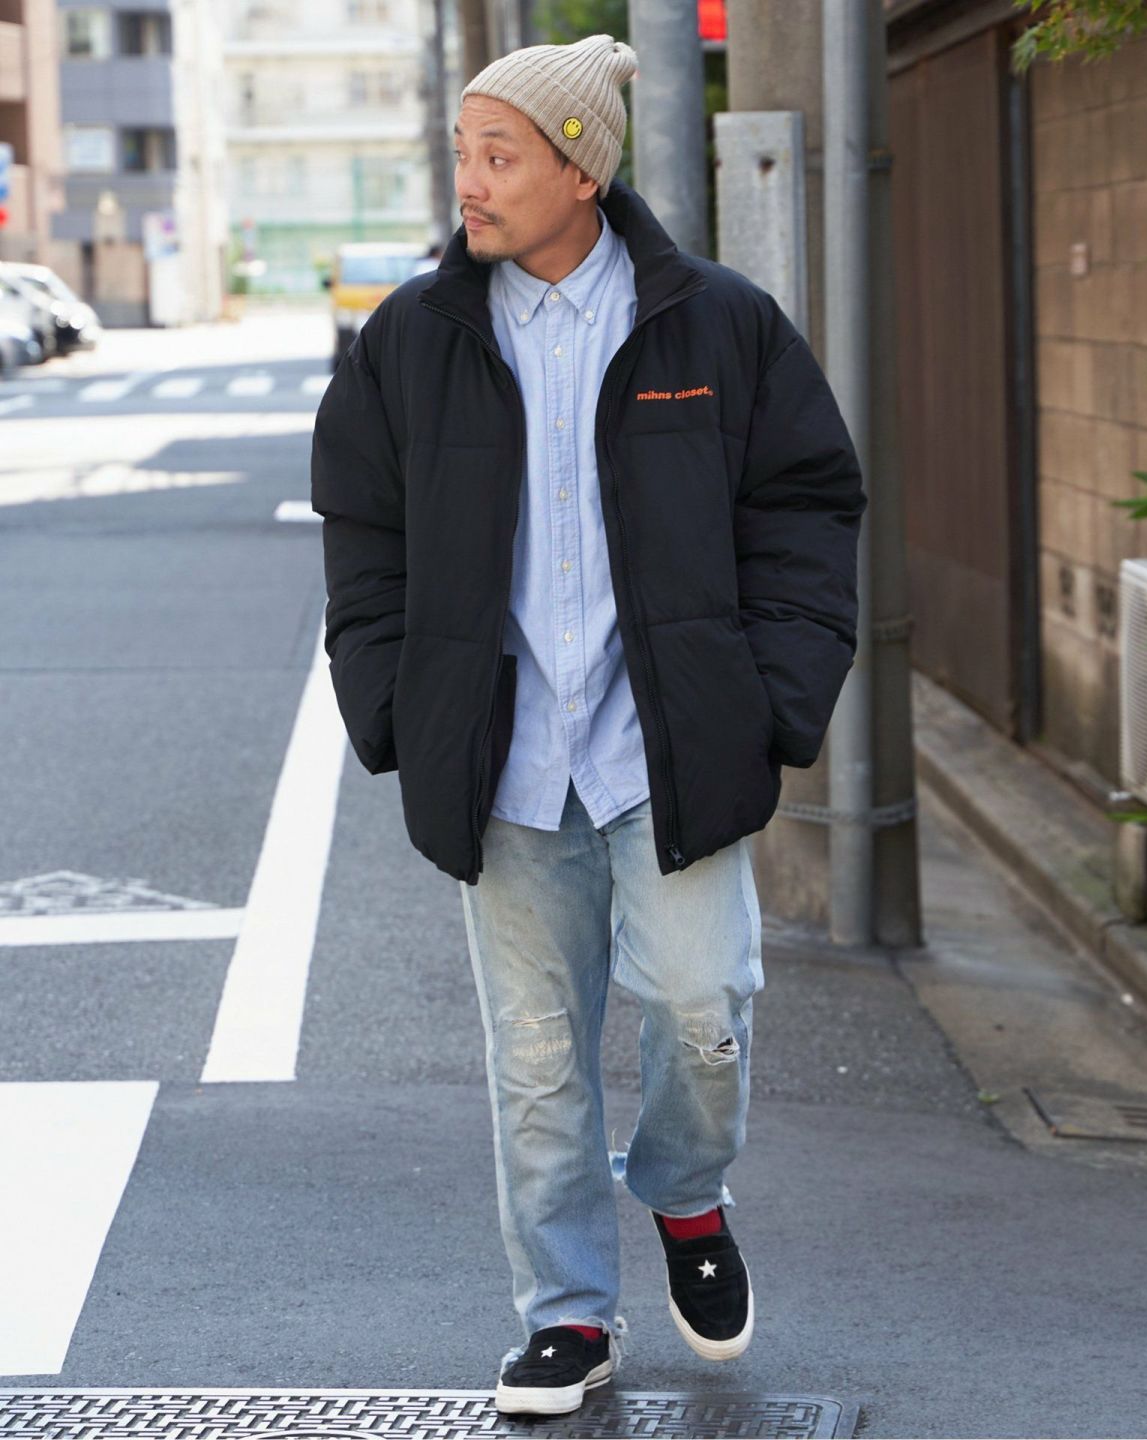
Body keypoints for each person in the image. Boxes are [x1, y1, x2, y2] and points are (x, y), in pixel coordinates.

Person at [311, 32, 866, 1420]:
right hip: (502, 760)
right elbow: (363, 527)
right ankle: (565, 1313)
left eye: (499, 155)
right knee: (538, 1058)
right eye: (462, 152)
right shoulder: (416, 338)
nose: (470, 181)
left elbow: (807, 508)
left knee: (701, 1006)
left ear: (580, 170)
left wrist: (769, 701)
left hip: (664, 750)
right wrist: (393, 699)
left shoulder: (716, 324)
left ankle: (685, 1193)